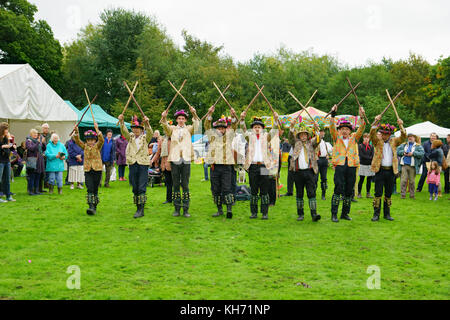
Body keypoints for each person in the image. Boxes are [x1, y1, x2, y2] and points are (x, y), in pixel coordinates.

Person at [160, 108, 201, 218]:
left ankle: (186, 209)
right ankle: (177, 209)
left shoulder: (189, 129)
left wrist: (194, 113)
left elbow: (197, 124)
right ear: (176, 120)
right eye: (179, 118)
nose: (181, 120)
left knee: (185, 185)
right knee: (176, 185)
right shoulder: (172, 129)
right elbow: (165, 126)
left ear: (186, 120)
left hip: (186, 159)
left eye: (183, 118)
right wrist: (163, 117)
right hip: (175, 159)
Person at [329, 106, 366, 222]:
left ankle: (345, 213)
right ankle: (334, 214)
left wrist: (361, 116)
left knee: (349, 190)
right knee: (338, 189)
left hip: (351, 165)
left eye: (347, 129)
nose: (344, 130)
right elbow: (331, 128)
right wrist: (333, 115)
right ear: (340, 130)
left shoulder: (354, 138)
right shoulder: (336, 138)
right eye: (342, 129)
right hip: (339, 165)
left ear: (350, 130)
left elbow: (362, 128)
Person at [239, 112, 279, 220]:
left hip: (264, 166)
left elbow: (274, 130)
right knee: (254, 190)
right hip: (252, 167)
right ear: (252, 128)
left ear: (262, 128)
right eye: (255, 127)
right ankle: (254, 213)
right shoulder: (249, 137)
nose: (257, 129)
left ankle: (265, 213)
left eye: (259, 127)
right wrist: (242, 119)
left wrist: (275, 120)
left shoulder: (266, 137)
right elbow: (243, 129)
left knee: (265, 190)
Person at [204, 105, 238, 219]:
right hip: (214, 167)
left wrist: (233, 116)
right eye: (218, 128)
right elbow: (206, 125)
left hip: (226, 167)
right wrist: (209, 114)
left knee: (227, 188)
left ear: (225, 129)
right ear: (216, 129)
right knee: (215, 189)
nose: (220, 130)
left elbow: (234, 125)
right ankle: (219, 210)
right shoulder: (211, 136)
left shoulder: (229, 136)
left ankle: (229, 209)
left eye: (222, 128)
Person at [370, 116, 406, 222]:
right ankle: (376, 214)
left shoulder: (394, 141)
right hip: (379, 170)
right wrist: (376, 121)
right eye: (383, 134)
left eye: (386, 134)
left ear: (389, 134)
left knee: (388, 193)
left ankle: (387, 214)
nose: (384, 136)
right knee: (378, 193)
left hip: (391, 171)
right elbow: (372, 134)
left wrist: (401, 125)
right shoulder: (377, 141)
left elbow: (403, 137)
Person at [119, 114, 153, 219]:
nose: (136, 130)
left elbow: (150, 132)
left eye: (138, 128)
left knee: (141, 187)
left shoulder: (145, 138)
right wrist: (121, 121)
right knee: (134, 187)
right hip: (133, 163)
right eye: (134, 128)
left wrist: (147, 123)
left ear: (141, 130)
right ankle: (137, 206)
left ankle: (140, 209)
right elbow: (124, 131)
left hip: (143, 164)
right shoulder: (130, 137)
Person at [288, 121, 322, 222]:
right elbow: (290, 137)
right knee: (299, 194)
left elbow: (318, 139)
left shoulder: (311, 143)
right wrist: (292, 127)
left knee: (311, 193)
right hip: (298, 173)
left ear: (307, 136)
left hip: (310, 172)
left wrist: (317, 129)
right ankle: (300, 214)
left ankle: (314, 214)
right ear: (299, 136)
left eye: (305, 134)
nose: (303, 136)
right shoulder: (296, 143)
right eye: (301, 134)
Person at [73, 123, 104, 215]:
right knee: (89, 188)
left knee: (95, 189)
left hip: (97, 169)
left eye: (92, 140)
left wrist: (97, 129)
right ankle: (90, 206)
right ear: (86, 141)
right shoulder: (84, 147)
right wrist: (76, 131)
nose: (90, 142)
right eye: (88, 140)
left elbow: (101, 140)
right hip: (88, 170)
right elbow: (77, 140)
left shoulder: (98, 146)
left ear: (94, 140)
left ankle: (94, 205)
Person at [397, 133, 424, 199]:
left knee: (412, 181)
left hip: (413, 166)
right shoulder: (403, 145)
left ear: (414, 138)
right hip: (404, 165)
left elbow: (422, 154)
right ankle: (403, 195)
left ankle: (412, 195)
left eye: (411, 137)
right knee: (403, 180)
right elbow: (397, 151)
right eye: (409, 137)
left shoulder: (418, 146)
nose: (410, 138)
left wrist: (413, 153)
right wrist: (403, 153)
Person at [25, 129, 46, 196]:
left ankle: (36, 190)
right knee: (32, 176)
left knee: (38, 176)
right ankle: (31, 191)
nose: (36, 135)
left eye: (36, 134)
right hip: (33, 160)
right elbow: (31, 148)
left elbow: (43, 149)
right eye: (34, 134)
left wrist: (43, 143)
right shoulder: (28, 141)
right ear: (31, 134)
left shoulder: (38, 141)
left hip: (39, 160)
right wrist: (37, 142)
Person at [0, 122, 15, 202]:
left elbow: (9, 148)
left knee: (7, 179)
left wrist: (12, 146)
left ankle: (8, 196)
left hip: (6, 160)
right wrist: (2, 146)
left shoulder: (6, 138)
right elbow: (3, 146)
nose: (7, 131)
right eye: (6, 129)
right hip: (0, 161)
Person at [357, 133, 375, 198]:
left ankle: (368, 193)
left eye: (368, 137)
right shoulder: (360, 146)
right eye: (365, 137)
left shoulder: (371, 147)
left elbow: (373, 155)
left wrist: (369, 158)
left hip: (369, 165)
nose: (366, 139)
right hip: (362, 164)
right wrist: (369, 157)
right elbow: (361, 155)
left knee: (369, 180)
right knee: (361, 179)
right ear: (363, 138)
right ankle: (359, 193)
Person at [316, 127, 331, 200]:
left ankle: (323, 194)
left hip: (324, 160)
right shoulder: (316, 140)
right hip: (317, 160)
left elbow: (327, 151)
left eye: (323, 132)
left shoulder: (325, 142)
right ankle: (313, 193)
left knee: (324, 178)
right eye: (321, 131)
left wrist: (327, 155)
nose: (323, 133)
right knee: (315, 178)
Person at [159, 135, 172, 204]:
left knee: (175, 183)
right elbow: (158, 152)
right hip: (164, 164)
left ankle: (176, 199)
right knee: (168, 183)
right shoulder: (162, 140)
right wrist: (152, 160)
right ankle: (169, 199)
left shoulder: (173, 139)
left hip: (173, 163)